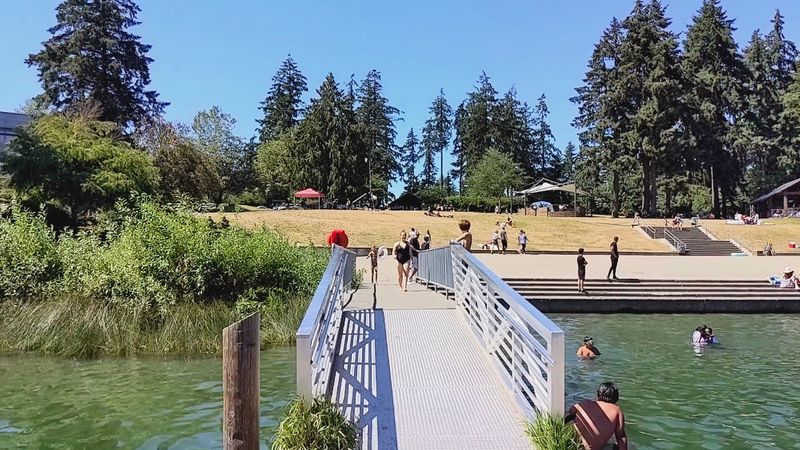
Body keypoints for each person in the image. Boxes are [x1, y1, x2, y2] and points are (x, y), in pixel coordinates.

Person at [566, 382, 628, 450]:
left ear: (598, 394)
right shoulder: (617, 410)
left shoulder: (584, 403)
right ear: (616, 397)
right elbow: (621, 437)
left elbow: (570, 413)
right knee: (616, 446)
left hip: (573, 446)